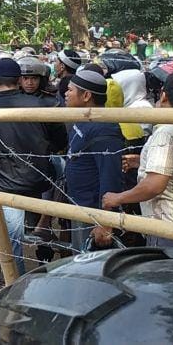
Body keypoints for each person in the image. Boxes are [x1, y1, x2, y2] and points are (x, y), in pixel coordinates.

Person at [0, 58, 67, 273]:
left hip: (6, 183)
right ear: (19, 80)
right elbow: (60, 143)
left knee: (13, 243)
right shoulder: (43, 106)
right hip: (42, 179)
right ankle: (49, 268)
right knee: (45, 227)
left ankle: (15, 284)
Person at [102, 71, 173, 247]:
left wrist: (117, 198)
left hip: (169, 228)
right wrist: (144, 161)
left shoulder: (167, 132)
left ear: (163, 96)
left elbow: (153, 186)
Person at [64, 66, 125, 250]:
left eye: (70, 90)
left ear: (86, 96)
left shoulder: (104, 129)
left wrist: (105, 221)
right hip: (79, 205)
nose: (66, 94)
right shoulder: (85, 120)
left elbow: (110, 175)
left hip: (93, 212)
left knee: (87, 261)